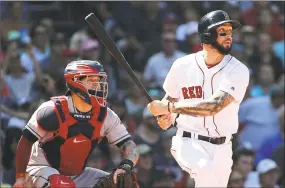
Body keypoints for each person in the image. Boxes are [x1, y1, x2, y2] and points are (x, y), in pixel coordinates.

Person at [147, 10, 250, 187]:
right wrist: (165, 117)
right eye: (223, 32)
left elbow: (213, 106)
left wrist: (170, 109)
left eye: (230, 32)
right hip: (188, 141)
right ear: (207, 35)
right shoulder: (182, 65)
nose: (229, 36)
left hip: (223, 148)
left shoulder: (238, 70)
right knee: (204, 170)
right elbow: (169, 100)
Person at [13, 60, 139, 188]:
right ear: (75, 81)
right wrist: (20, 178)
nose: (98, 85)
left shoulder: (106, 115)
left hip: (77, 175)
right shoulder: (51, 110)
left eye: (100, 80)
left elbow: (129, 145)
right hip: (39, 169)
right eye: (92, 80)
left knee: (126, 182)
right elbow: (25, 142)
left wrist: (126, 165)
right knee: (62, 185)